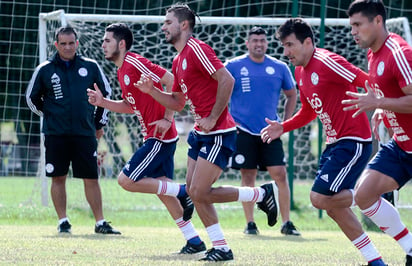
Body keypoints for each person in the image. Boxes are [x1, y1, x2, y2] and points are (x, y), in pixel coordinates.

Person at [135, 3, 278, 262]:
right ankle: (222, 245)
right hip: (201, 134)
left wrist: (213, 116)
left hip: (219, 132)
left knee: (199, 191)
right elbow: (178, 102)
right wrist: (152, 92)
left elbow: (227, 80)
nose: (164, 27)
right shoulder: (178, 60)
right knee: (192, 190)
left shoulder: (197, 49)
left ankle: (260, 195)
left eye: (168, 22)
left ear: (184, 25)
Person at [260, 18, 386, 266]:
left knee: (318, 198)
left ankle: (371, 193)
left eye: (290, 45)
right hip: (334, 144)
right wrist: (282, 127)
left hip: (352, 140)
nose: (286, 52)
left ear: (308, 42)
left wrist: (383, 106)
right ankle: (375, 261)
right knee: (332, 207)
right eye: (284, 47)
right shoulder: (300, 71)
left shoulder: (328, 62)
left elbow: (367, 80)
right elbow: (308, 111)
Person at [86, 23, 206, 254]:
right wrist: (102, 103)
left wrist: (169, 118)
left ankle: (184, 191)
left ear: (121, 44)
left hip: (159, 138)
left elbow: (172, 80)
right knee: (164, 193)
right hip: (156, 137)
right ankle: (194, 242)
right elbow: (130, 107)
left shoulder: (134, 63)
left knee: (126, 180)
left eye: (107, 40)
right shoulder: (122, 71)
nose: (103, 44)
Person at [26, 26, 120, 235]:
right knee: (57, 177)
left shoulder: (91, 66)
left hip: (85, 133)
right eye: (63, 43)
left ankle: (100, 222)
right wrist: (50, 115)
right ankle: (63, 221)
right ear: (56, 44)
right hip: (55, 134)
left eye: (71, 43)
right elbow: (31, 99)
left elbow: (106, 96)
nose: (68, 47)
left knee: (91, 177)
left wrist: (99, 124)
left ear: (77, 43)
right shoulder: (45, 69)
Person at [345, 1, 412, 265]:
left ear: (377, 22)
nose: (353, 31)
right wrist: (382, 109)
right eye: (351, 26)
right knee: (363, 194)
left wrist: (379, 103)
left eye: (358, 25)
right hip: (402, 145)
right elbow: (390, 94)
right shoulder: (374, 53)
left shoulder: (399, 53)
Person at [225, 26, 300, 236]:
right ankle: (250, 223)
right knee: (248, 176)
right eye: (254, 40)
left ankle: (286, 223)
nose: (259, 44)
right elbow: (219, 90)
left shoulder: (279, 67)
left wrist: (286, 123)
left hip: (270, 131)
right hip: (242, 130)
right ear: (247, 43)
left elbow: (292, 94)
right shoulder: (233, 66)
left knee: (280, 175)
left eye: (262, 41)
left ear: (267, 44)